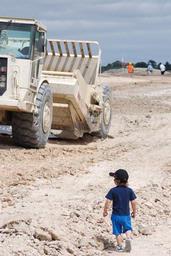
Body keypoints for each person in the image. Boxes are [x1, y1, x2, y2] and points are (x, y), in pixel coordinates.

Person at [103, 169, 137, 252]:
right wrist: (134, 212)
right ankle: (128, 239)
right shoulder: (129, 191)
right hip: (126, 215)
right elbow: (133, 202)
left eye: (114, 179)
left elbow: (108, 201)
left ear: (117, 181)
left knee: (117, 231)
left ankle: (120, 246)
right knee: (128, 228)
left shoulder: (113, 190)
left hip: (116, 216)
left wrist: (105, 210)